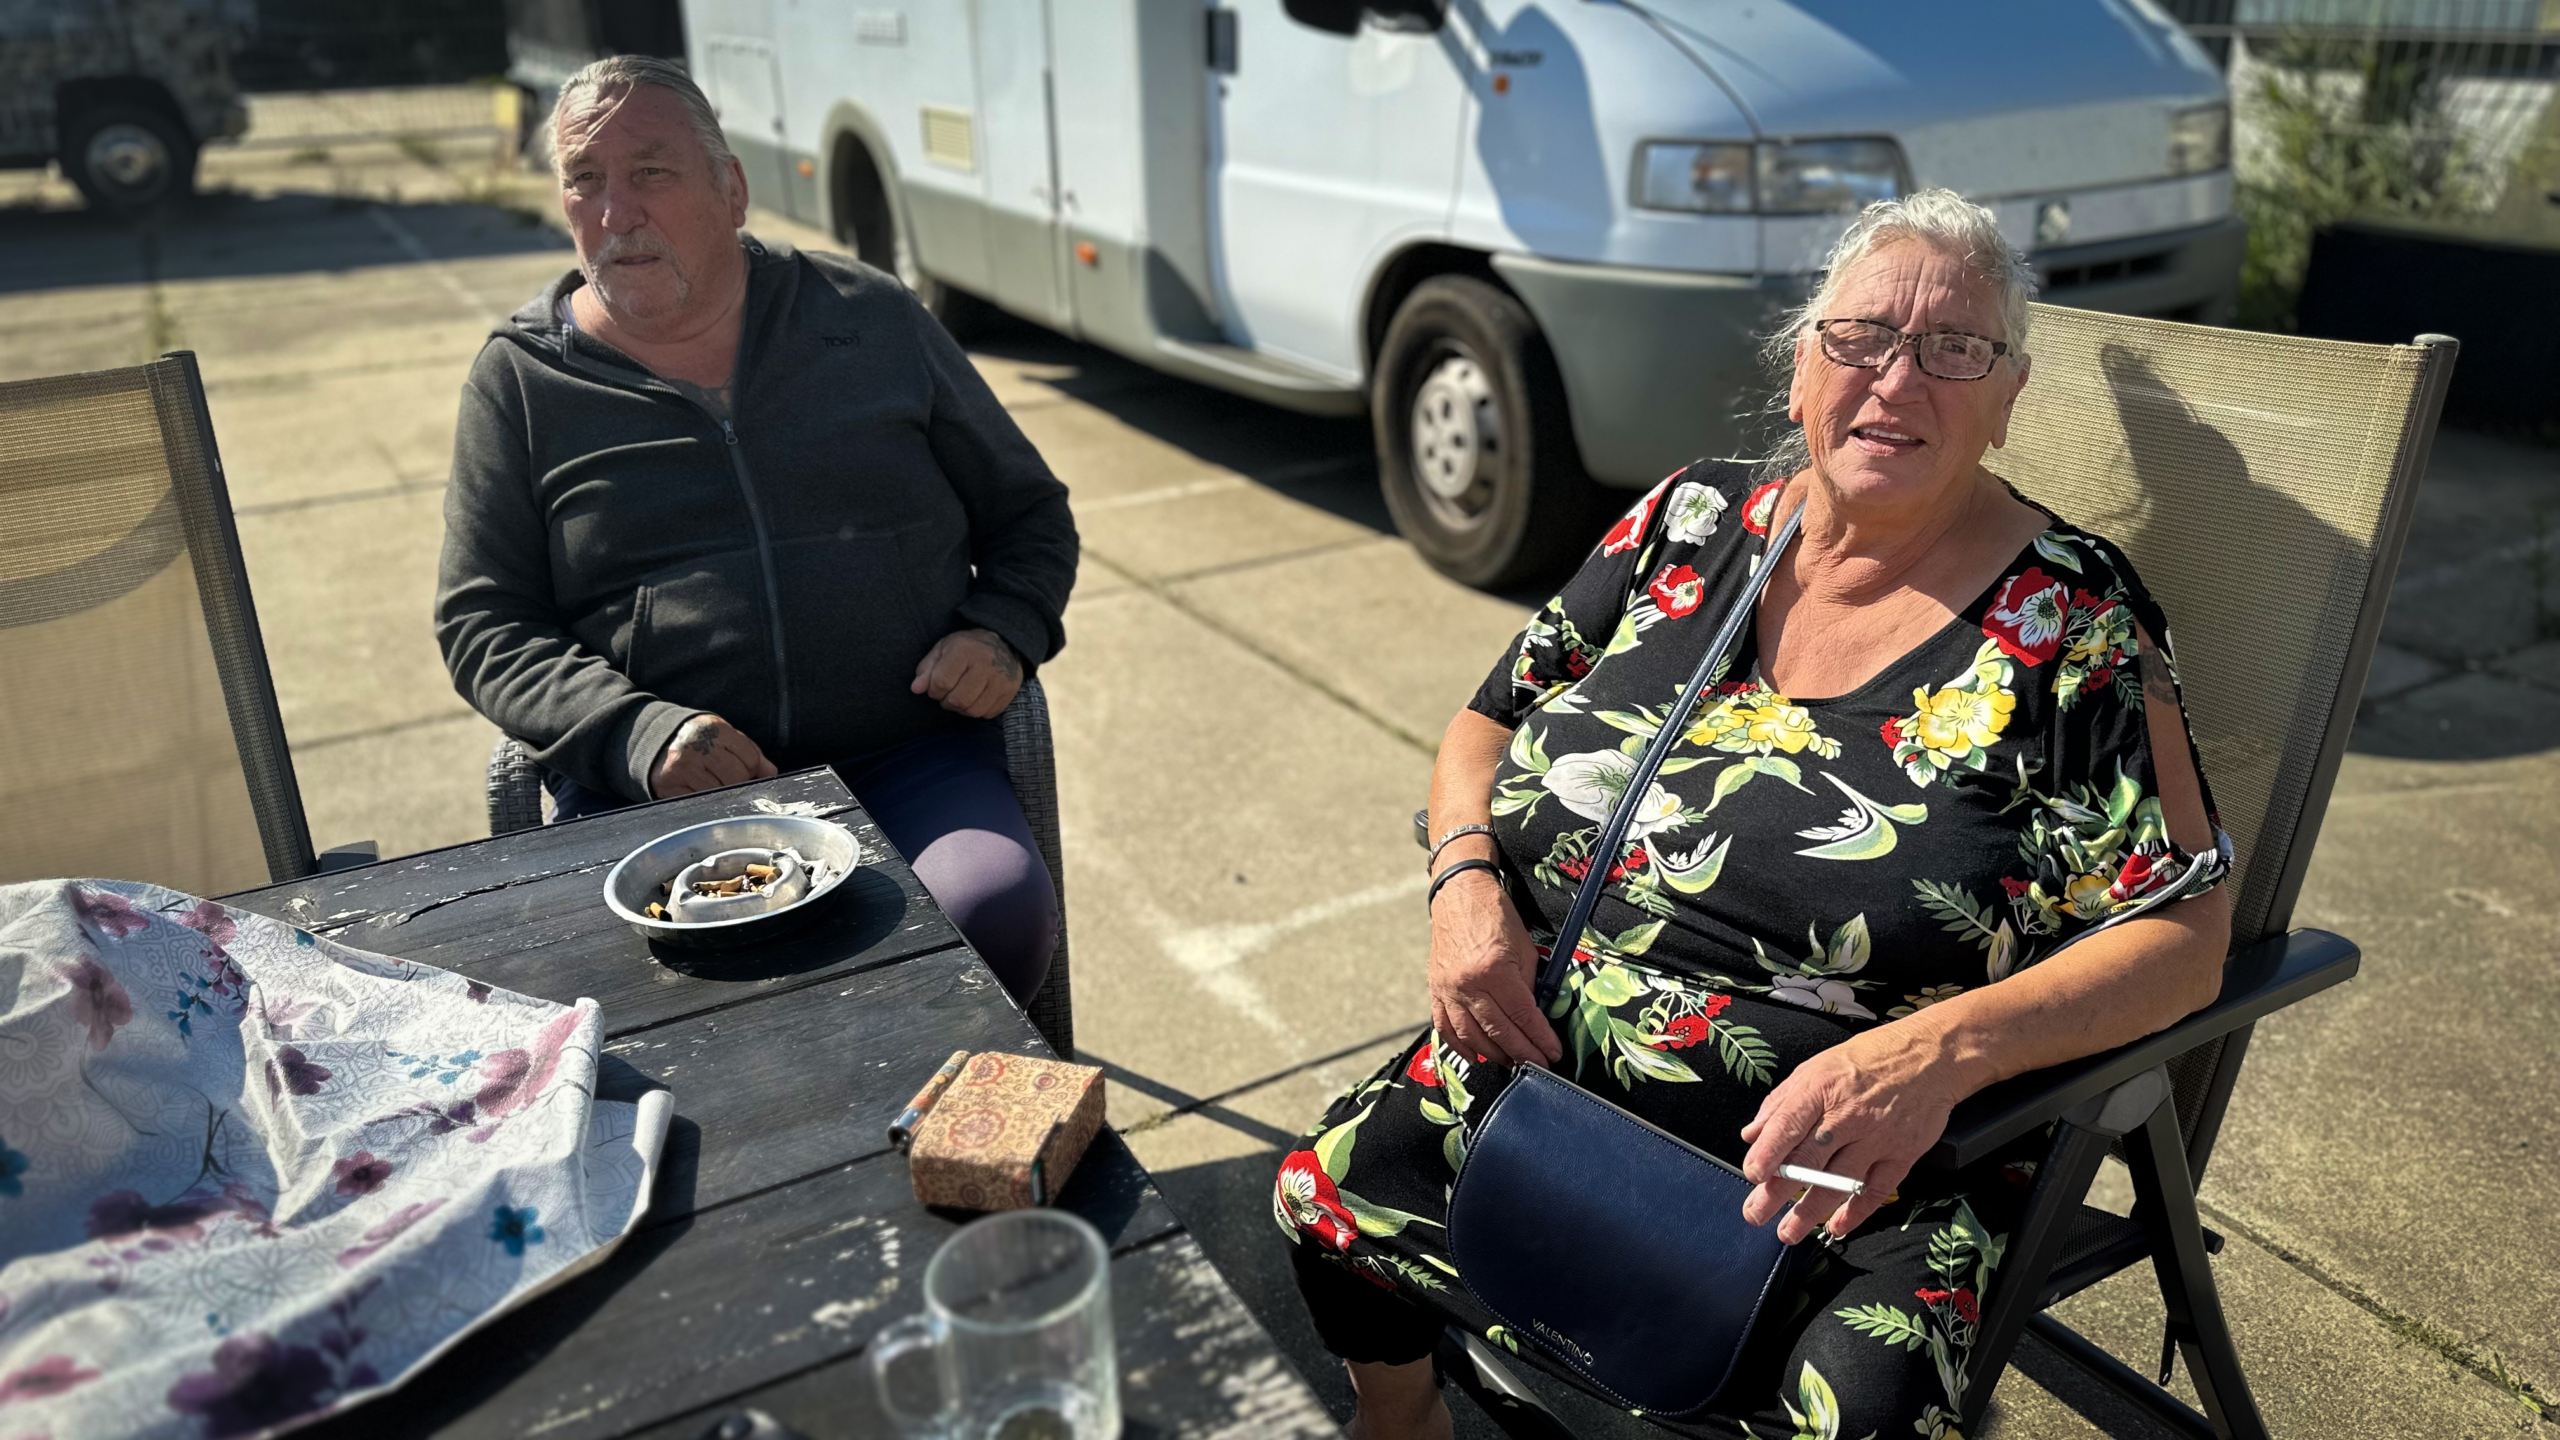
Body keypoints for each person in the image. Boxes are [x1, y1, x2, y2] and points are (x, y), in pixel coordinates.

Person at [1272, 190, 2233, 1440]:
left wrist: (1934, 1059)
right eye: (1861, 339)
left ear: (2006, 403)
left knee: (1860, 1411)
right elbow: (1487, 719)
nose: (1898, 378)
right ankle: (1405, 1424)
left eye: (1956, 350)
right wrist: (1462, 879)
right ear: (1801, 373)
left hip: (1854, 1163)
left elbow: (2186, 935)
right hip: (1540, 1077)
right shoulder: (1689, 519)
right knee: (1326, 1193)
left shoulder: (2074, 622)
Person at [434, 57, 1077, 1004]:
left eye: (651, 171)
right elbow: (484, 624)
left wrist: (1004, 628)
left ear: (730, 188)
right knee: (661, 1012)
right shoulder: (524, 381)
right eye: (585, 179)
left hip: (905, 757)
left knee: (993, 915)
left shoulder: (870, 319)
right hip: (656, 799)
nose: (616, 213)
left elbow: (1031, 515)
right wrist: (640, 734)